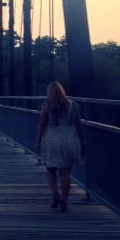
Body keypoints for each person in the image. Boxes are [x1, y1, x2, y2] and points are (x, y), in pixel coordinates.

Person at [35, 81, 85, 213]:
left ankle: (55, 195)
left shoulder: (47, 105)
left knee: (51, 170)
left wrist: (38, 141)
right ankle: (64, 200)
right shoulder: (73, 104)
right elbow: (78, 124)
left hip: (52, 138)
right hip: (69, 139)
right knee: (65, 173)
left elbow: (42, 125)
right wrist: (82, 141)